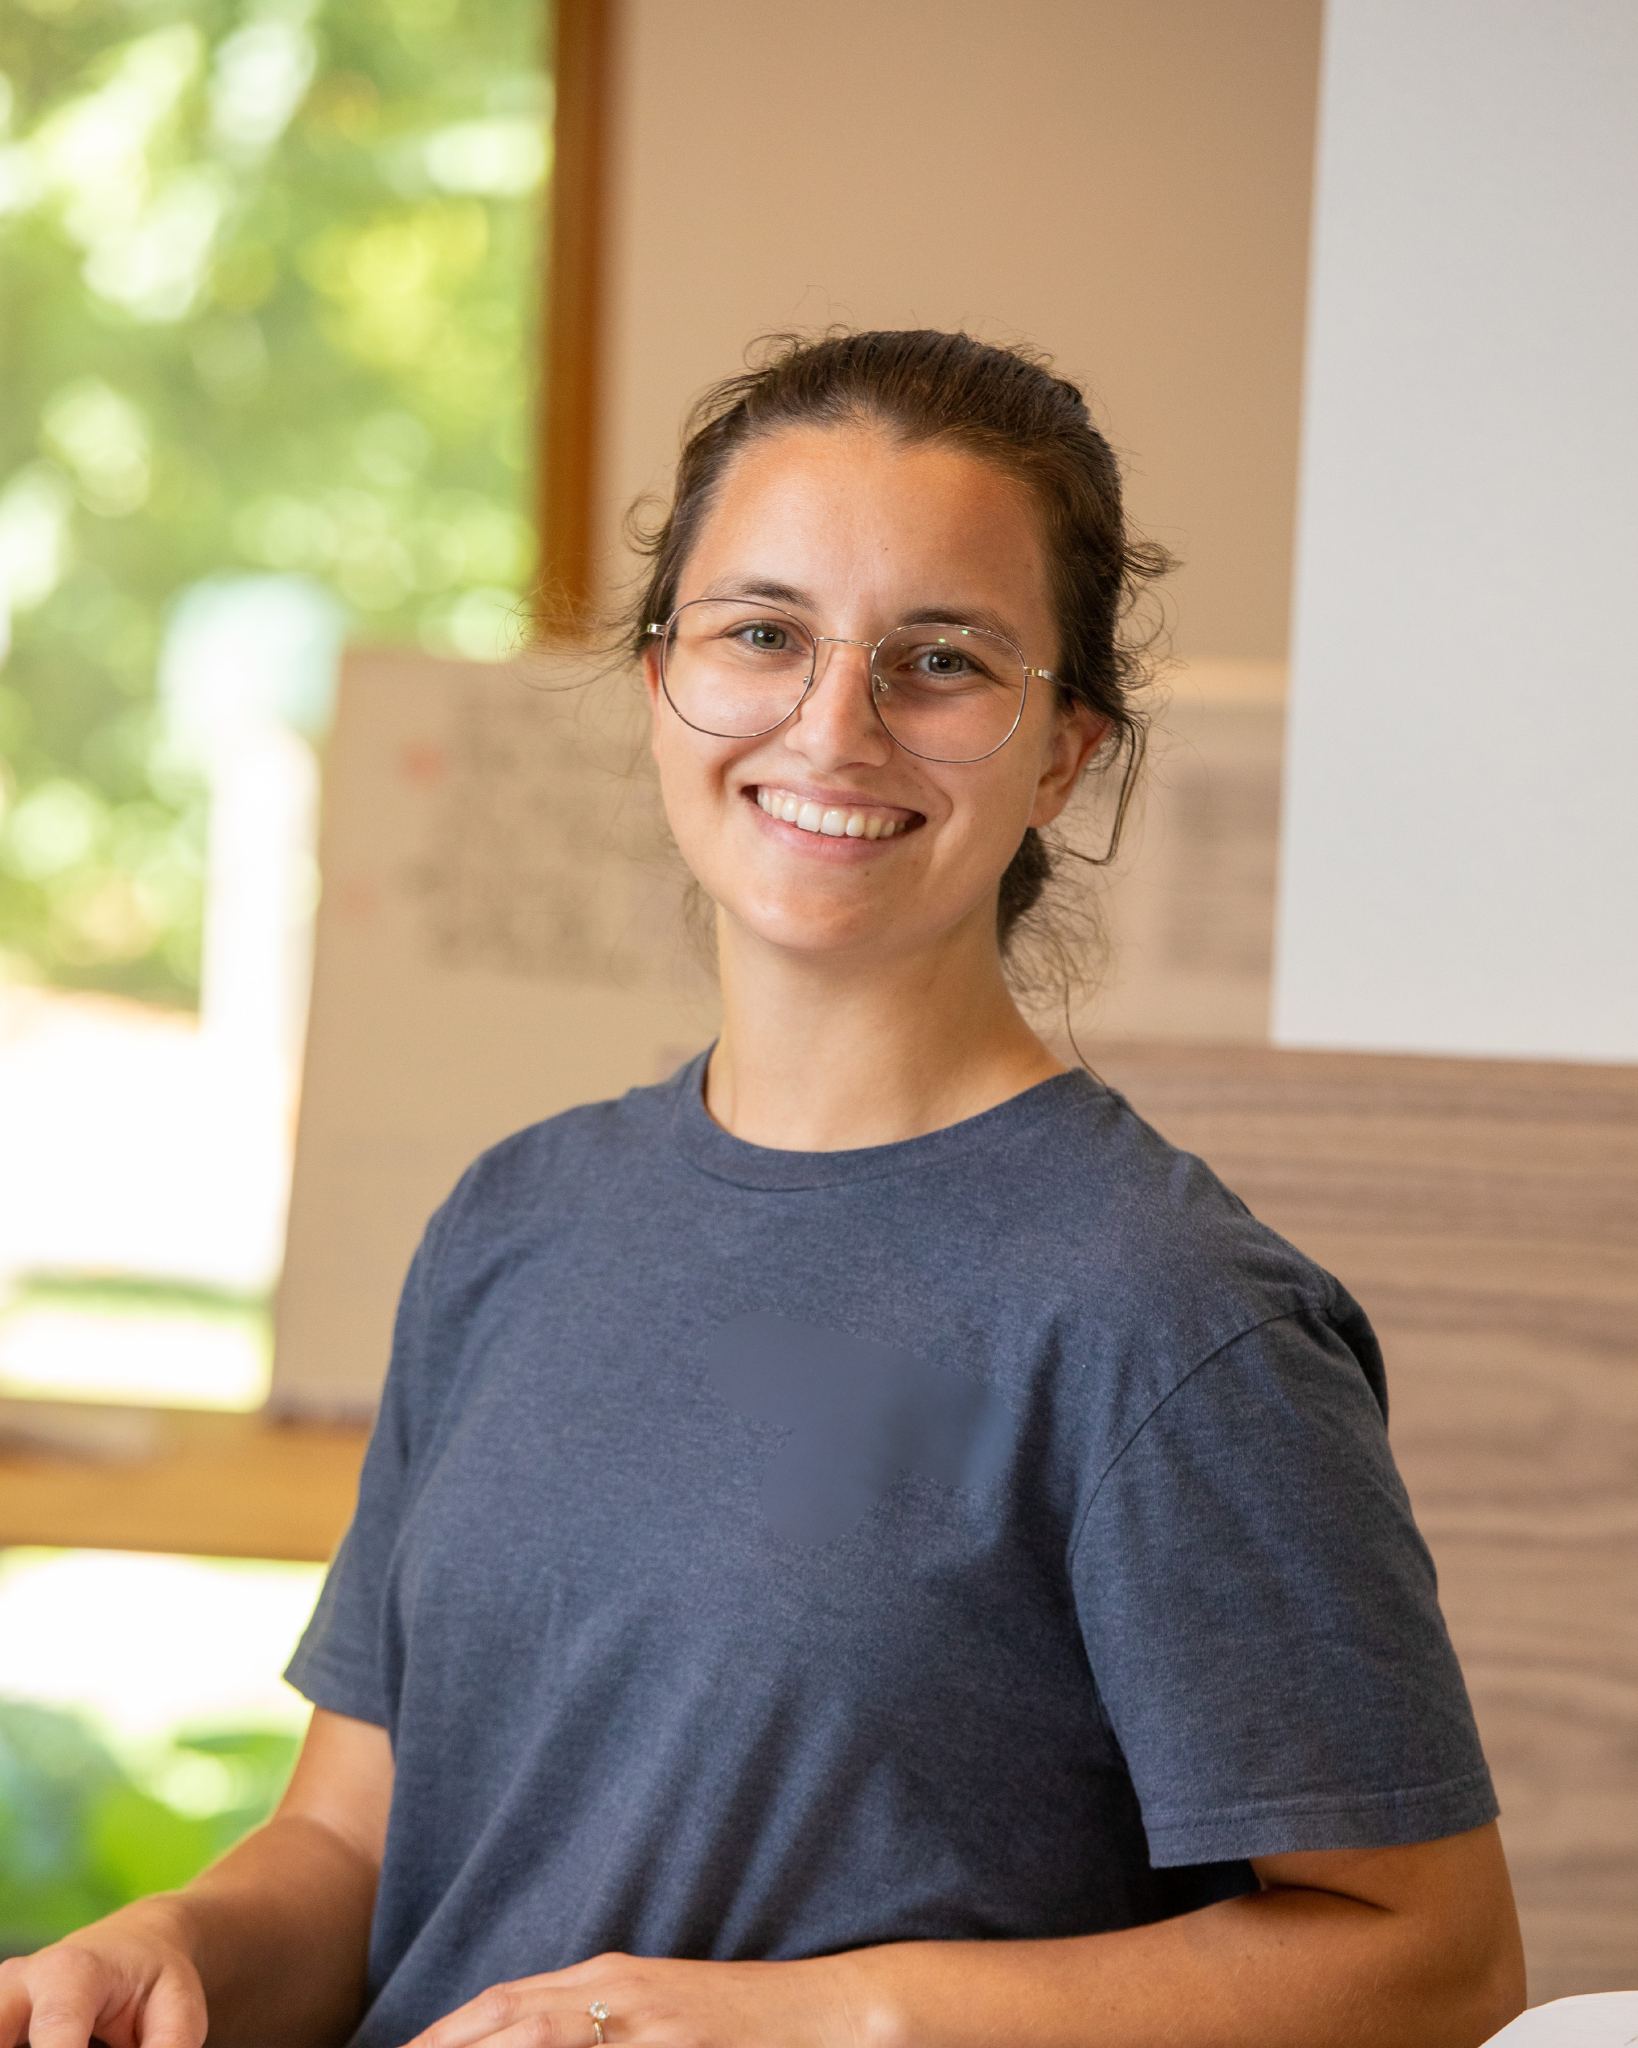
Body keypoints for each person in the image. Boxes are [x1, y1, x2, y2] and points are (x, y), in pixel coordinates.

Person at [0, 331, 1526, 2048]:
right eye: (761, 636)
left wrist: (824, 2022)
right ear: (662, 680)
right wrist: (182, 1944)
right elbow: (354, 1837)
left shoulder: (1162, 1313)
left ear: (1062, 755)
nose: (833, 725)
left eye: (939, 661)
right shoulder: (515, 1220)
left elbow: (1433, 1961)